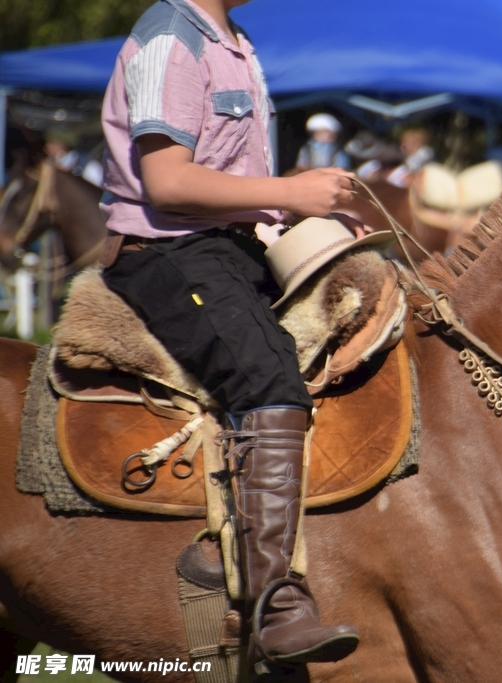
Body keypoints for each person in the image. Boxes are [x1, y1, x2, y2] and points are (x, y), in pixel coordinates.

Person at [97, 0, 361, 667]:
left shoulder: (233, 40)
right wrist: (293, 192)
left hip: (231, 251)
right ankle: (274, 603)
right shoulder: (170, 38)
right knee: (266, 371)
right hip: (167, 254)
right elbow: (167, 180)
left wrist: (300, 219)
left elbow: (235, 184)